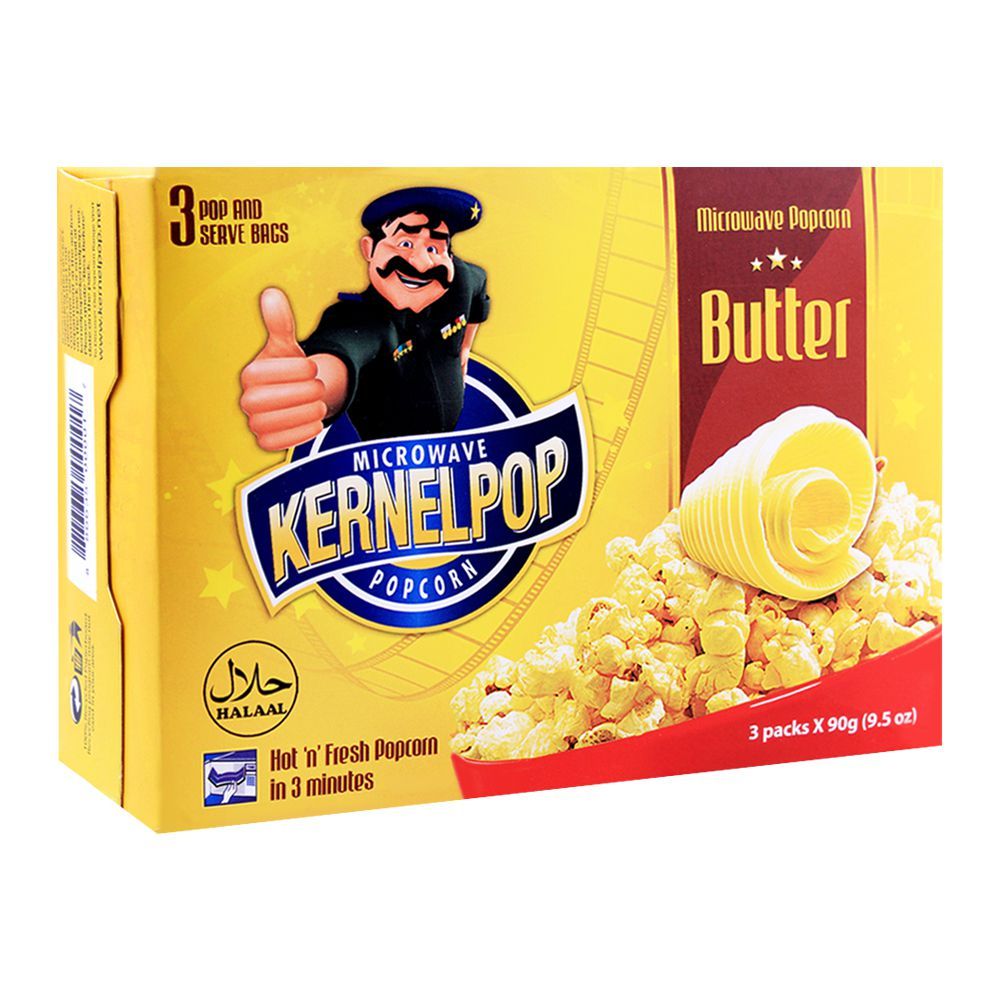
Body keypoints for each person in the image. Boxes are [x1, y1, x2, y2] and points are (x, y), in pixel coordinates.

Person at [240, 186, 489, 447]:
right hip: (385, 460)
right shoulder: (362, 320)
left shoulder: (462, 280)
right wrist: (309, 389)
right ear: (369, 249)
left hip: (453, 449)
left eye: (434, 248)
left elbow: (478, 286)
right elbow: (341, 351)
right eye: (405, 244)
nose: (422, 263)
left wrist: (464, 350)